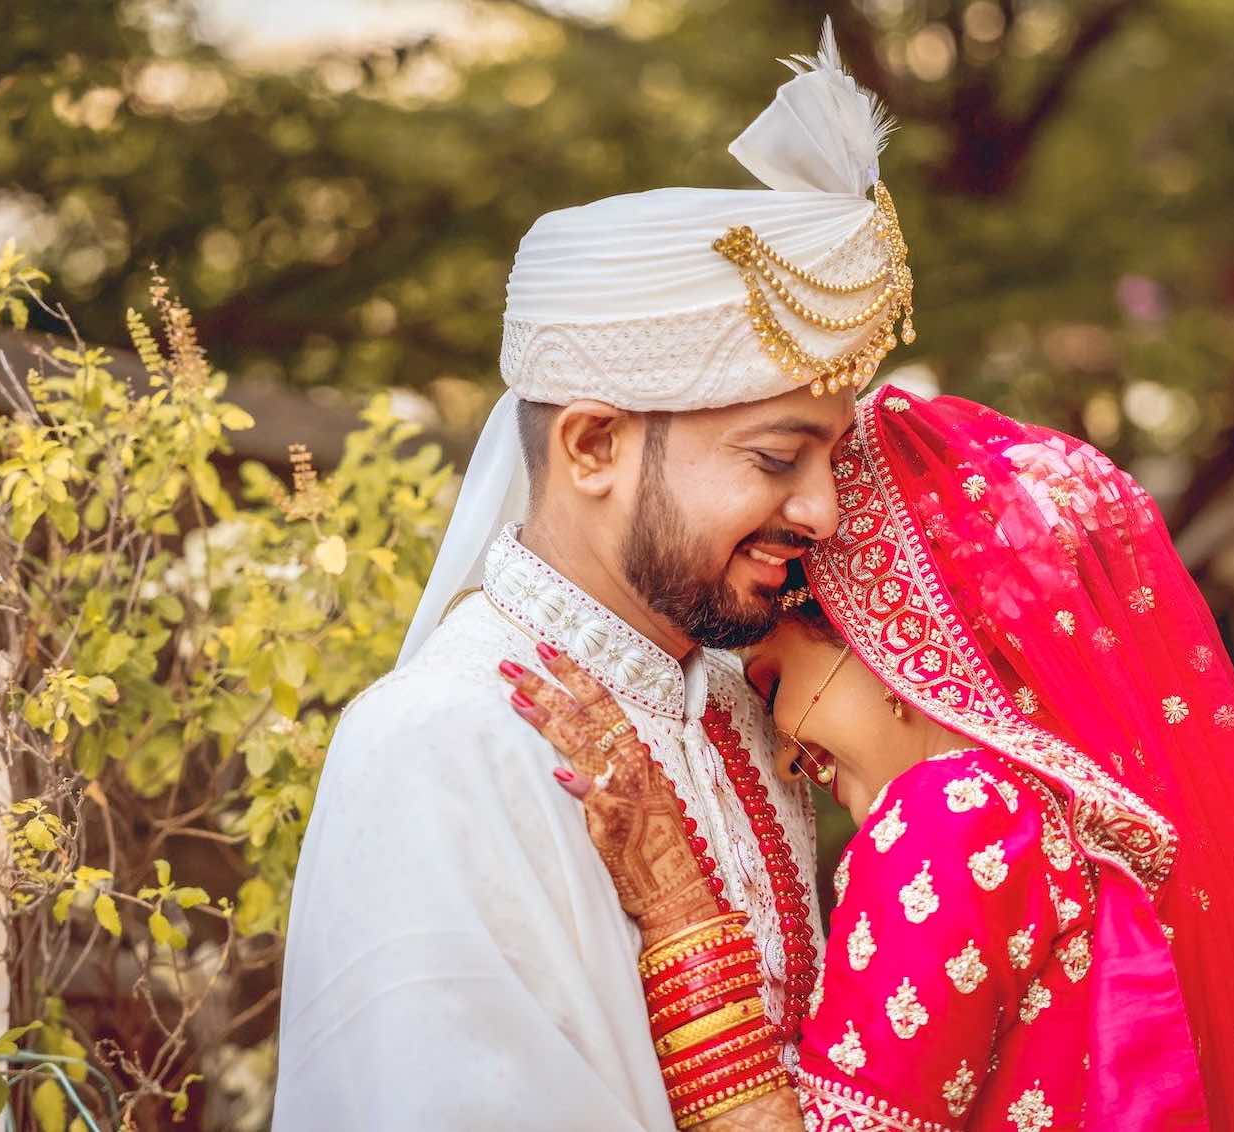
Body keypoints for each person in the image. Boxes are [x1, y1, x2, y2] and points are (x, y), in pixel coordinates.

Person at [273, 23, 919, 1129]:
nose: (818, 508)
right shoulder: (441, 741)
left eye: (829, 459)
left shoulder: (742, 705)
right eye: (775, 458)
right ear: (590, 446)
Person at [506, 387, 1234, 1130]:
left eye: (774, 685)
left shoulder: (953, 811)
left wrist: (677, 909)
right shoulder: (1052, 821)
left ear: (880, 639)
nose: (778, 751)